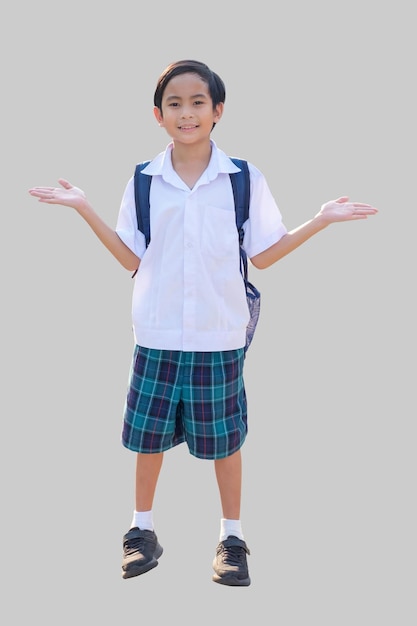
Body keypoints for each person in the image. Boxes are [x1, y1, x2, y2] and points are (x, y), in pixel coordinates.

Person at [28, 59, 378, 587]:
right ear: (157, 114)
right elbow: (130, 259)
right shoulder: (144, 180)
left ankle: (232, 538)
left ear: (218, 111)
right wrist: (83, 207)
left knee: (225, 442)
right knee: (147, 440)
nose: (186, 112)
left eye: (197, 102)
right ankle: (141, 531)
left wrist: (320, 220)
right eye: (174, 103)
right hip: (157, 332)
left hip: (220, 333)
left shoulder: (242, 179)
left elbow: (265, 254)